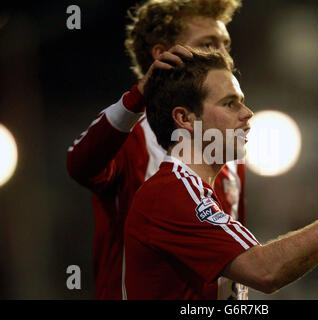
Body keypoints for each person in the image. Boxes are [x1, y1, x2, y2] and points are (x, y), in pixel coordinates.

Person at [123, 49, 318, 299]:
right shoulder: (169, 192)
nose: (247, 113)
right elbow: (265, 271)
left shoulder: (205, 195)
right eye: (229, 103)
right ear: (185, 119)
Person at [66, 0, 246, 299]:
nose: (224, 56)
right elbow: (79, 165)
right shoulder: (126, 139)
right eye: (208, 44)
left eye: (225, 44)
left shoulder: (227, 147)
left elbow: (234, 253)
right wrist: (138, 96)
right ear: (163, 56)